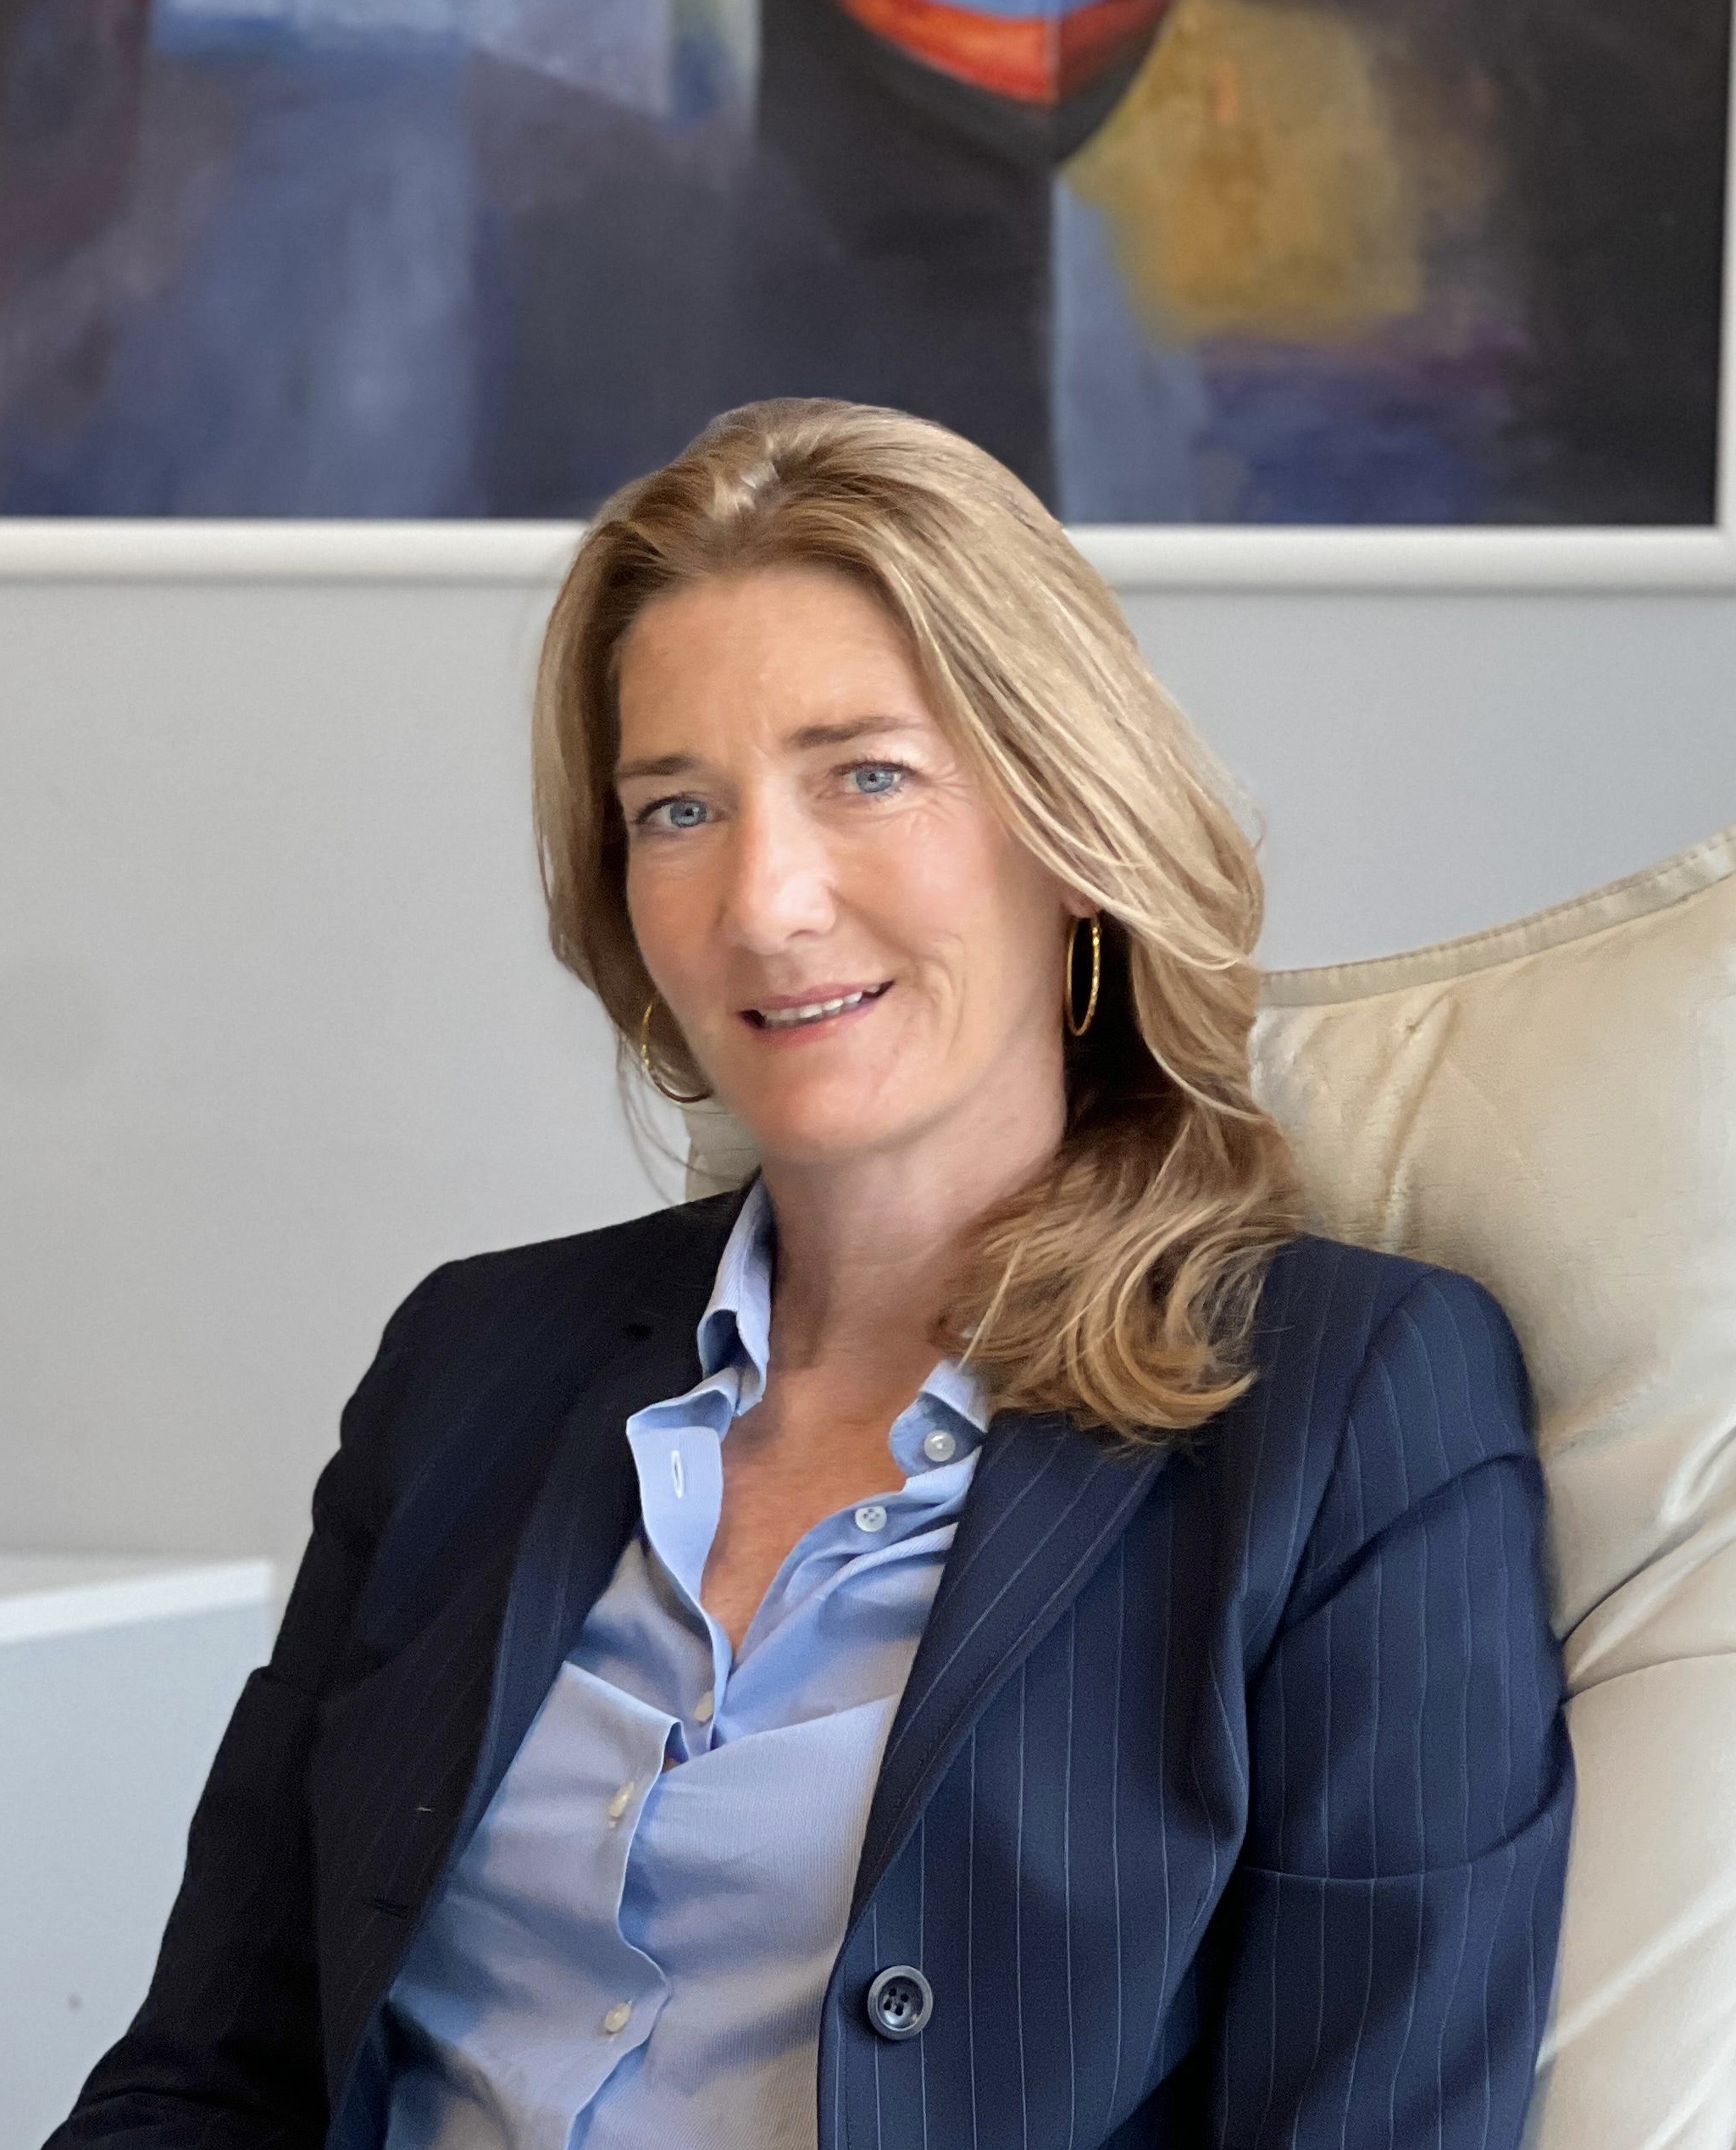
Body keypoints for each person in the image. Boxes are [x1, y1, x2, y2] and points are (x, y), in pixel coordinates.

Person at [48, 398, 1572, 2150]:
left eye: (866, 774)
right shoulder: (470, 1357)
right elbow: (205, 2076)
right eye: (677, 807)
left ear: (1069, 825)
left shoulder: (1349, 1400)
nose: (762, 902)